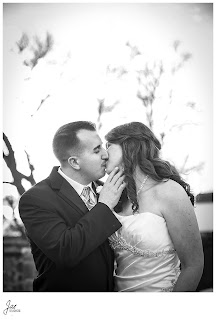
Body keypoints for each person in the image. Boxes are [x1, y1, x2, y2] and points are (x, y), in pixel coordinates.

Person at [19, 121, 126, 292]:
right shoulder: (35, 199)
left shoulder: (108, 190)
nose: (106, 155)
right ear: (75, 162)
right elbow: (65, 251)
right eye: (97, 150)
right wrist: (104, 206)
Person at [105, 121, 204, 292]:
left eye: (108, 146)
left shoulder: (169, 191)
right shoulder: (116, 195)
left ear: (129, 146)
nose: (104, 154)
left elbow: (194, 265)